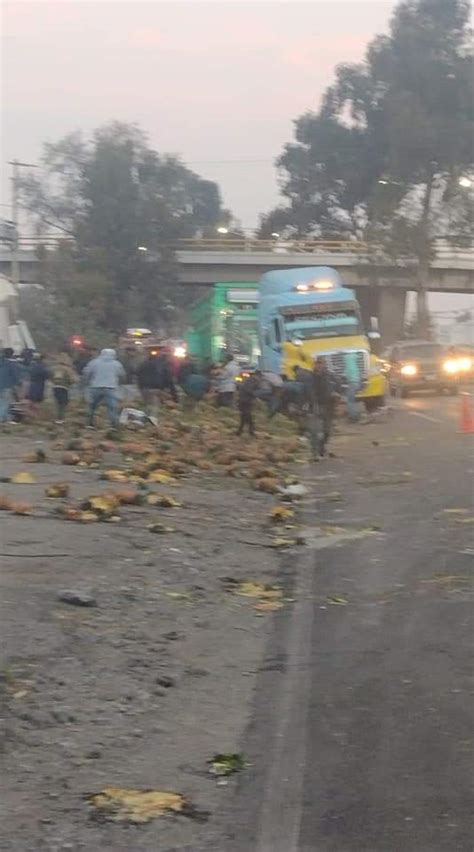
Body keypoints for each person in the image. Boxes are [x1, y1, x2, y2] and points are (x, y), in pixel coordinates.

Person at [307, 357, 341, 459]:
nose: (321, 366)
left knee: (327, 431)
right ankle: (315, 453)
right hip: (317, 405)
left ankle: (321, 448)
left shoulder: (329, 376)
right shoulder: (312, 377)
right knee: (316, 431)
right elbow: (310, 391)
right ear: (315, 365)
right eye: (319, 364)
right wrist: (313, 404)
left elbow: (337, 385)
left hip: (329, 406)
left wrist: (336, 393)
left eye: (322, 364)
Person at [83, 348, 125, 428]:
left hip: (96, 387)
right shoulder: (116, 364)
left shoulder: (94, 362)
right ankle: (113, 425)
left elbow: (86, 372)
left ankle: (89, 423)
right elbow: (122, 375)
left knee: (92, 406)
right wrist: (120, 383)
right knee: (112, 407)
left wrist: (88, 382)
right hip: (110, 388)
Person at [51, 353, 76, 424]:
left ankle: (57, 417)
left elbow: (50, 377)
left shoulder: (54, 368)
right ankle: (61, 418)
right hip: (64, 387)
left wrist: (54, 382)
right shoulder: (68, 369)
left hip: (55, 387)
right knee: (63, 403)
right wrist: (71, 383)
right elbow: (72, 379)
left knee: (57, 403)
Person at [236, 370, 261, 436]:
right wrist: (255, 396)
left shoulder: (249, 379)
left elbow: (241, 386)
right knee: (246, 415)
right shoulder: (254, 380)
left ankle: (241, 431)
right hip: (247, 400)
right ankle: (249, 431)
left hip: (243, 399)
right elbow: (249, 390)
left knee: (244, 415)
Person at [0, 348, 21, 423]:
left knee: (3, 402)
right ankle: (1, 419)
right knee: (4, 403)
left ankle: (7, 418)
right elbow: (15, 375)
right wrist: (18, 383)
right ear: (11, 354)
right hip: (6, 386)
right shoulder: (11, 364)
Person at [343, 350, 362, 422]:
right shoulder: (355, 367)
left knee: (350, 400)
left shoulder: (348, 367)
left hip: (352, 383)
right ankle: (355, 415)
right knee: (353, 400)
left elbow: (345, 375)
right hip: (357, 383)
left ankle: (353, 416)